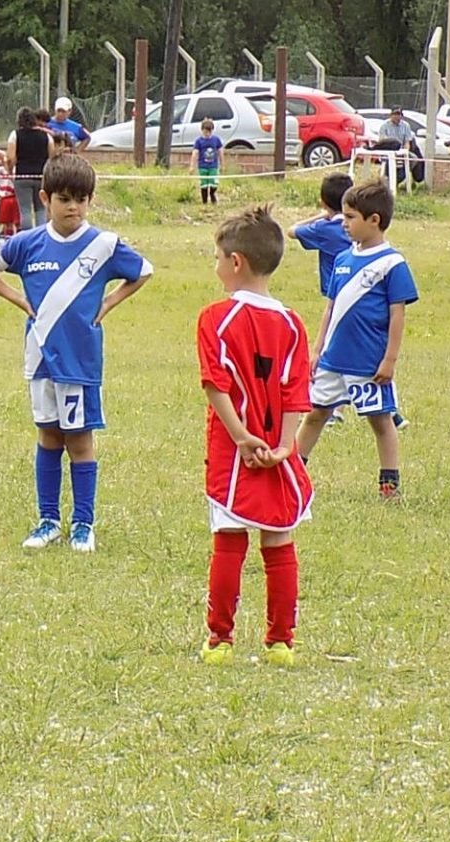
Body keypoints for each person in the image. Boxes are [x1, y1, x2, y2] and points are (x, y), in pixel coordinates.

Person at [0, 154, 153, 553]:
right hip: (40, 362)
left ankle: (83, 524)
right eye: (64, 199)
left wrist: (108, 303)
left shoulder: (103, 245)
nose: (73, 207)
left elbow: (144, 271)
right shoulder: (27, 243)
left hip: (80, 362)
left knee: (81, 441)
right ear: (45, 198)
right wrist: (19, 300)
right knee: (48, 437)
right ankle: (48, 520)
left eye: (81, 199)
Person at [196, 206, 312, 668]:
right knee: (279, 542)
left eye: (218, 257)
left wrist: (243, 438)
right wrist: (285, 448)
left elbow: (215, 385)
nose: (217, 266)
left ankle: (220, 641)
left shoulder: (215, 318)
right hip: (277, 449)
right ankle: (281, 642)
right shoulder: (291, 323)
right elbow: (294, 393)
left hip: (233, 450)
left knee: (228, 538)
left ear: (237, 261)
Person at [294, 180, 419, 501]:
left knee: (380, 421)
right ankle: (290, 476)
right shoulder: (342, 259)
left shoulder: (392, 263)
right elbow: (331, 308)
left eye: (349, 217)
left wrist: (389, 359)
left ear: (374, 220)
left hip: (367, 362)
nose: (343, 223)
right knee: (315, 413)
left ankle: (389, 486)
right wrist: (317, 349)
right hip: (334, 359)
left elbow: (397, 315)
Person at [288, 173, 354, 298]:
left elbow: (292, 231)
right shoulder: (358, 224)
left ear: (323, 203)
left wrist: (321, 216)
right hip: (356, 285)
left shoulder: (323, 228)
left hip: (333, 289)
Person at [7, 108, 50, 229]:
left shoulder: (15, 135)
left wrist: (10, 171)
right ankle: (41, 234)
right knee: (41, 208)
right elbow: (52, 156)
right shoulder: (45, 135)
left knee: (25, 210)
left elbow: (11, 158)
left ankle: (27, 236)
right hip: (41, 176)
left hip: (22, 176)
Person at [191, 118, 223, 205]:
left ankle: (212, 194)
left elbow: (220, 152)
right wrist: (192, 166)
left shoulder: (216, 140)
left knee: (214, 183)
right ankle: (204, 202)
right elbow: (195, 153)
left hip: (213, 166)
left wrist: (222, 165)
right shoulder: (199, 141)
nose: (208, 134)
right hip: (202, 166)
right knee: (204, 184)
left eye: (210, 131)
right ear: (202, 130)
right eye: (206, 131)